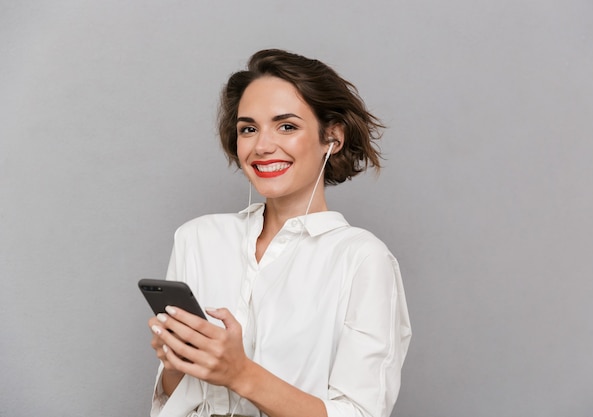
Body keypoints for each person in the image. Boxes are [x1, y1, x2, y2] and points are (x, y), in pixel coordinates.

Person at [147, 49, 411, 417]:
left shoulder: (362, 258)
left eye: (286, 126)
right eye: (248, 128)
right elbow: (173, 399)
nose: (262, 146)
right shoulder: (198, 239)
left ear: (331, 137)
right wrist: (177, 361)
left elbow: (359, 412)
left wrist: (240, 374)